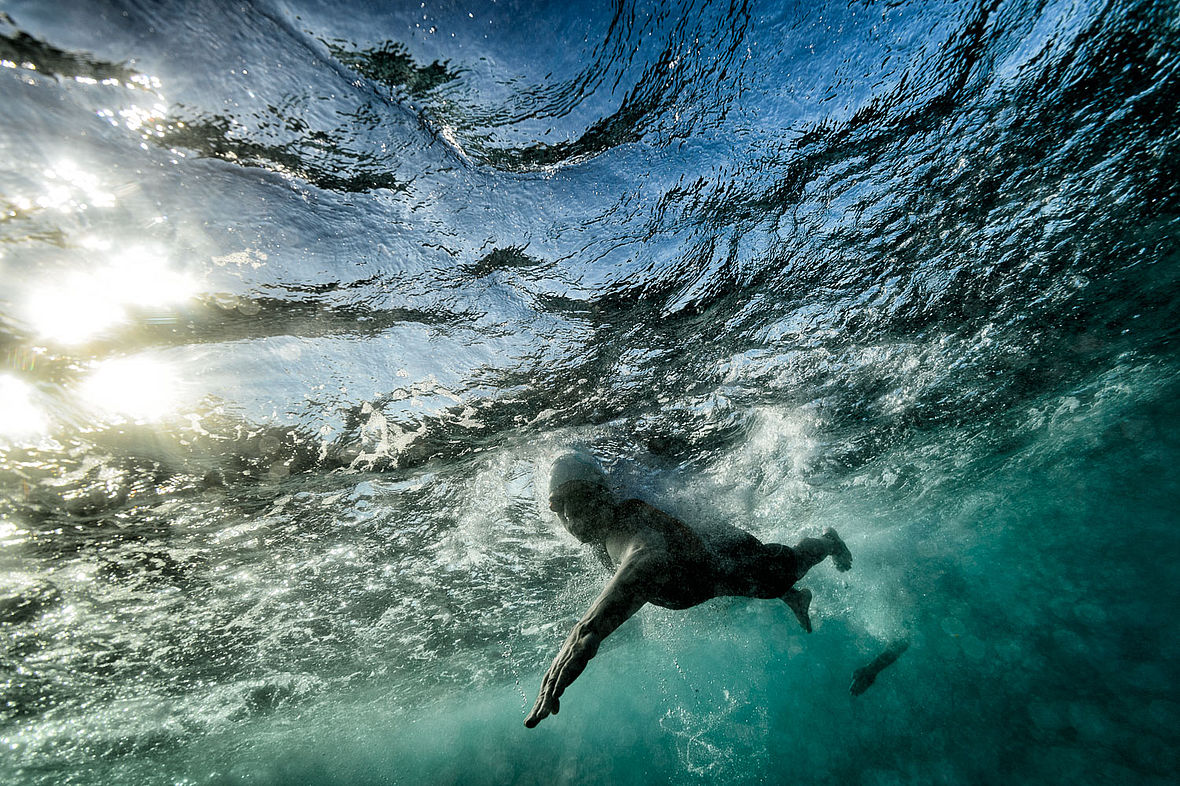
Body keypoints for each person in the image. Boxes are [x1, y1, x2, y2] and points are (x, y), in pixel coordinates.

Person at [524, 453, 852, 728]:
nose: (568, 515)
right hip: (711, 579)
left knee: (785, 571)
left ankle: (828, 541)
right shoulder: (599, 541)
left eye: (578, 498)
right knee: (760, 589)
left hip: (728, 556)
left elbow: (646, 556)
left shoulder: (627, 521)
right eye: (558, 505)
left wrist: (588, 629)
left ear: (603, 494)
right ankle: (793, 596)